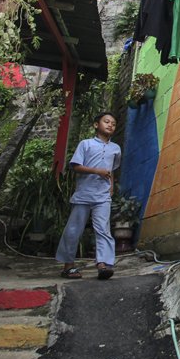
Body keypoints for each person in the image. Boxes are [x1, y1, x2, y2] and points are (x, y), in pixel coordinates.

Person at [56, 112, 122, 280]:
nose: (110, 125)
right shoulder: (85, 144)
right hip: (83, 194)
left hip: (103, 196)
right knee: (73, 229)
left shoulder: (116, 149)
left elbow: (111, 170)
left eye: (113, 124)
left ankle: (103, 264)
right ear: (96, 125)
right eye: (106, 121)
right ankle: (68, 266)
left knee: (103, 230)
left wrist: (111, 187)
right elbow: (76, 166)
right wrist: (96, 171)